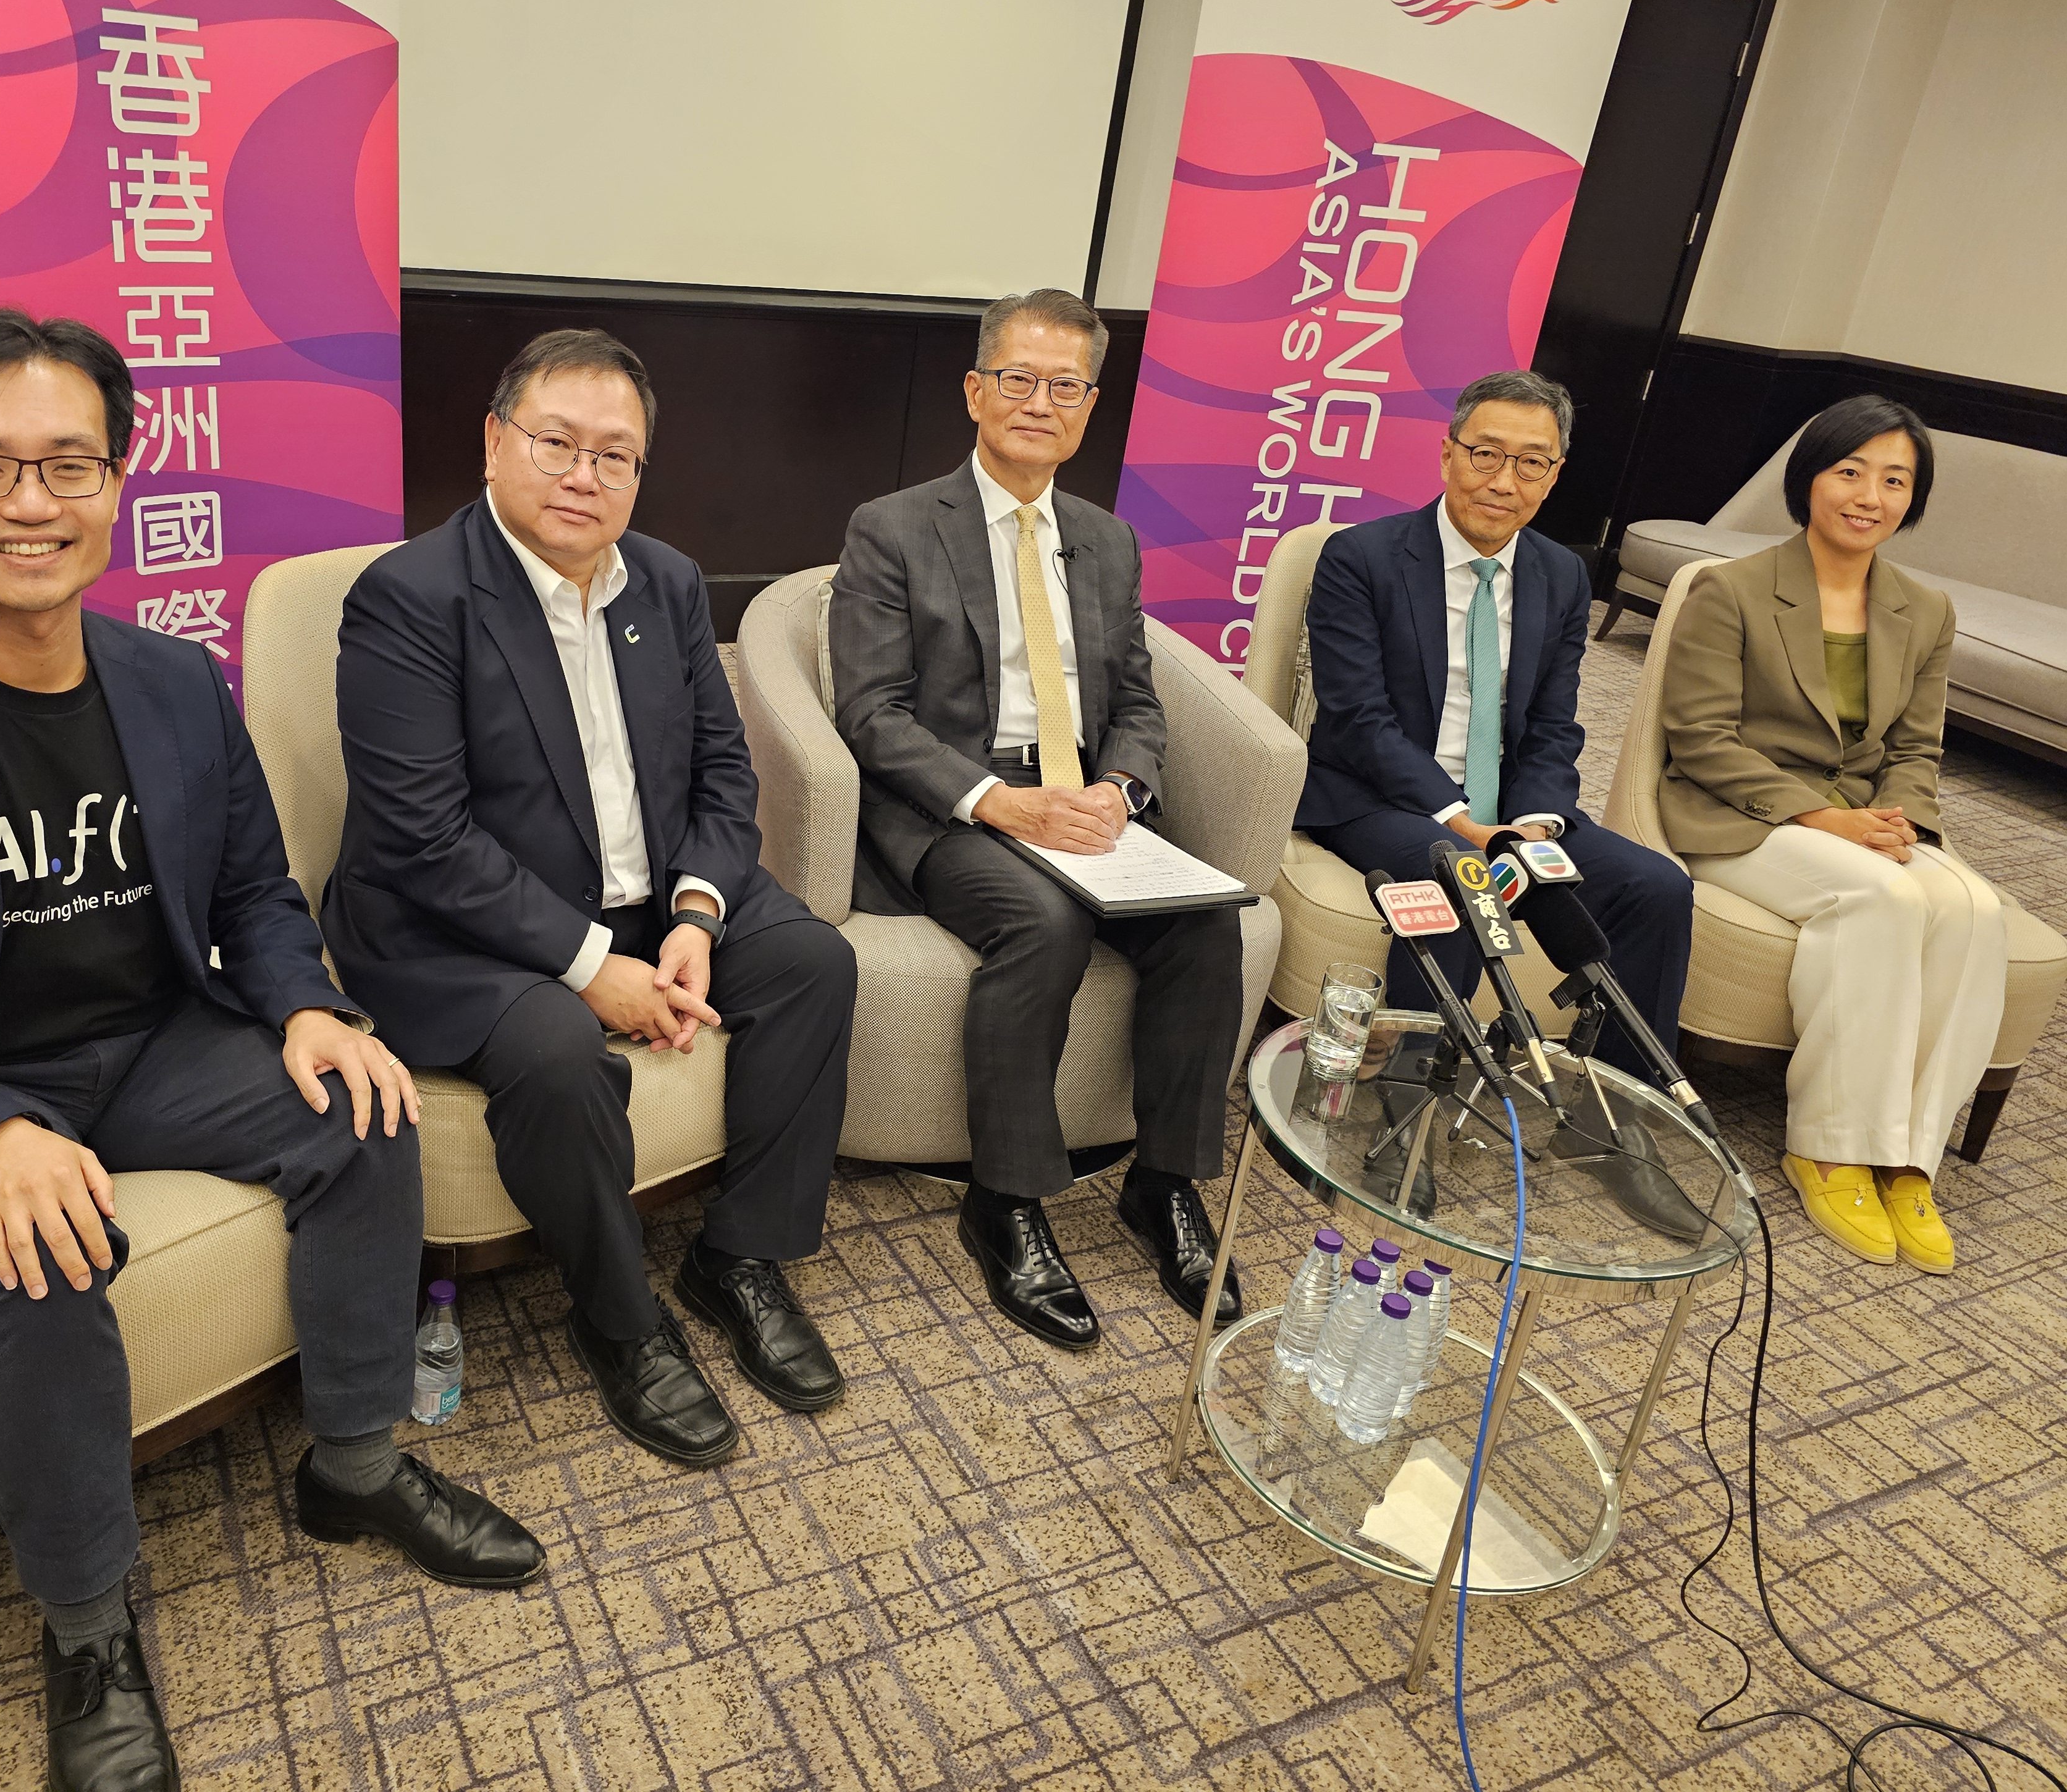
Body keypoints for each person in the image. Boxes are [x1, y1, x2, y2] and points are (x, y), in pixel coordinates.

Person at [0, 308, 542, 1792]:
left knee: (366, 1113)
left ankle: (355, 1467)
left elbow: (250, 896)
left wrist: (303, 1005)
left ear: (115, 479)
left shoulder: (172, 682)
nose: (30, 503)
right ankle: (86, 1627)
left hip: (150, 1040)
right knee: (42, 1252)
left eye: (66, 466)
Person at [326, 329, 857, 1470]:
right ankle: (623, 1320)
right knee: (562, 1048)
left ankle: (740, 1259)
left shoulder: (661, 582)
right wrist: (590, 966)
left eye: (615, 456)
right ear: (491, 442)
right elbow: (425, 842)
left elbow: (724, 770)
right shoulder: (410, 598)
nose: (584, 476)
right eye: (557, 443)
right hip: (453, 926)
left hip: (646, 896)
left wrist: (700, 915)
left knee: (814, 963)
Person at [828, 288, 1247, 1348]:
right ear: (976, 391)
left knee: (1208, 923)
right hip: (958, 807)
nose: (1038, 401)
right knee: (1043, 925)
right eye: (1018, 377)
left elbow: (1140, 702)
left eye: (1065, 386)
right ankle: (1005, 1200)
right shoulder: (890, 527)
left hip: (1081, 799)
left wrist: (1124, 791)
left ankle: (1165, 1184)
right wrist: (1001, 804)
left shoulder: (1107, 543)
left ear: (1090, 408)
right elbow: (870, 714)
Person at [1295, 371, 1698, 1214]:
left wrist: (1536, 823)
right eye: (1485, 454)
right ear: (1448, 454)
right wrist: (1465, 823)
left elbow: (1554, 726)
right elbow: (1359, 719)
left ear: (1555, 476)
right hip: (1383, 799)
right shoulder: (1361, 557)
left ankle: (1612, 1124)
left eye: (1531, 463)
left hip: (1512, 809)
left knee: (1656, 887)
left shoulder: (1558, 576)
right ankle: (1406, 1120)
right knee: (1456, 871)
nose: (1503, 481)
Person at [1659, 395, 1997, 1275]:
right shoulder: (1729, 590)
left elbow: (1918, 747)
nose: (1869, 496)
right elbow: (1700, 739)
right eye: (1851, 472)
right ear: (1809, 478)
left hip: (1863, 821)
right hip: (1744, 814)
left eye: (1895, 481)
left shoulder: (1925, 610)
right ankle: (1830, 1145)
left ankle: (1908, 1156)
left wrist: (1903, 821)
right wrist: (1826, 819)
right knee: (1881, 897)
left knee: (1972, 909)